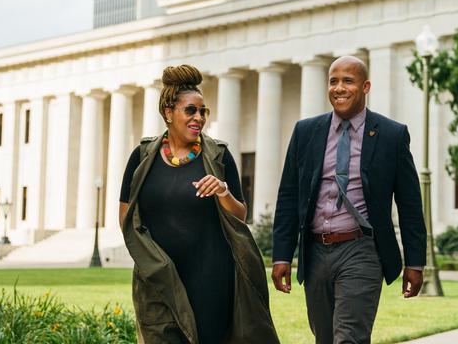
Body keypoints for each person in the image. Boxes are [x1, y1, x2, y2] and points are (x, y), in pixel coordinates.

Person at [271, 56, 427, 344]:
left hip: (361, 249)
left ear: (365, 86)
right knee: (325, 338)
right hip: (315, 251)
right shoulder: (306, 132)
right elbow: (289, 195)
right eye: (333, 81)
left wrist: (415, 262)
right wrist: (282, 255)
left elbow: (409, 204)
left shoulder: (392, 135)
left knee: (350, 339)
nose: (339, 88)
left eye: (348, 81)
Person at [117, 65, 278, 344]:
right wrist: (150, 260)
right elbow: (126, 217)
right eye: (190, 110)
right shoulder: (142, 156)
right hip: (158, 279)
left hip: (211, 280)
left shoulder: (219, 156)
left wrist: (223, 190)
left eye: (203, 111)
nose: (199, 118)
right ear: (169, 112)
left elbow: (240, 215)